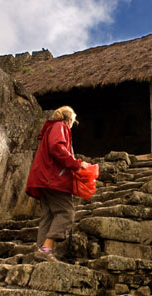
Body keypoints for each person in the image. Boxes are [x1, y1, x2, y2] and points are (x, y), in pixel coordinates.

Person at [25, 106, 89, 262]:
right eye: (73, 121)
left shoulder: (51, 128)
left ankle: (40, 251)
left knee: (48, 215)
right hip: (53, 179)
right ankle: (46, 249)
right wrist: (76, 163)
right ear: (69, 119)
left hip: (44, 178)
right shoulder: (60, 126)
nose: (73, 124)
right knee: (66, 212)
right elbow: (57, 147)